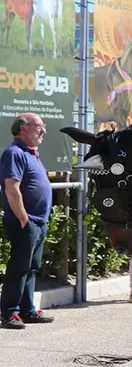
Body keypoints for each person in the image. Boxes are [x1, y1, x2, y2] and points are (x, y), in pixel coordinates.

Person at [1, 113, 55, 329]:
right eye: (39, 126)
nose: (43, 130)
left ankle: (27, 310)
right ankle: (9, 313)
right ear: (23, 128)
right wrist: (23, 217)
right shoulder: (14, 153)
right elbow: (12, 188)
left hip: (37, 221)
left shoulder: (31, 153)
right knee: (19, 267)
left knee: (32, 267)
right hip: (26, 221)